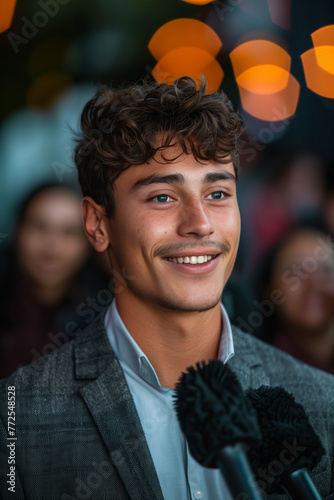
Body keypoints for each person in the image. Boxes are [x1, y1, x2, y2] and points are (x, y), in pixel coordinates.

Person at [0, 77, 333, 499]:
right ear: (98, 225)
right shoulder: (18, 418)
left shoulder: (323, 406)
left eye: (216, 192)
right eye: (162, 197)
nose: (200, 223)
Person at [254, 221, 334, 374]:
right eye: (295, 272)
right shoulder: (256, 374)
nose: (314, 284)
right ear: (269, 288)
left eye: (326, 271)